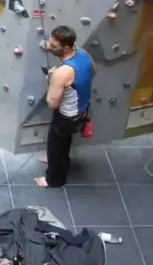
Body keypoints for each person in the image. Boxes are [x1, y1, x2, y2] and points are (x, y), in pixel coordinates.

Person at [36, 26, 94, 188]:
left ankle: (53, 179)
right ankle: (60, 160)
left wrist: (52, 77)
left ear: (66, 47)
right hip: (82, 110)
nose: (48, 47)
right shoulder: (84, 54)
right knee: (64, 142)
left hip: (66, 116)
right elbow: (92, 72)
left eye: (53, 46)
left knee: (56, 144)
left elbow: (52, 103)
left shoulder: (61, 73)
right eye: (49, 42)